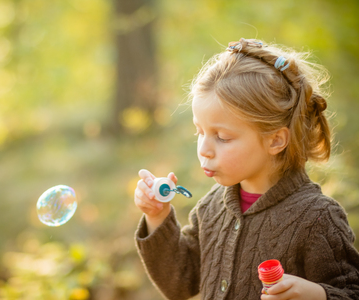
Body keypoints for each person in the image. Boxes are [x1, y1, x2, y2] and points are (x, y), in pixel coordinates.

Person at [133, 38, 359, 300]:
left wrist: (316, 294)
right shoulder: (212, 207)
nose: (204, 149)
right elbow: (179, 283)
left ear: (275, 140)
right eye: (199, 132)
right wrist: (157, 216)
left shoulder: (318, 218)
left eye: (223, 137)